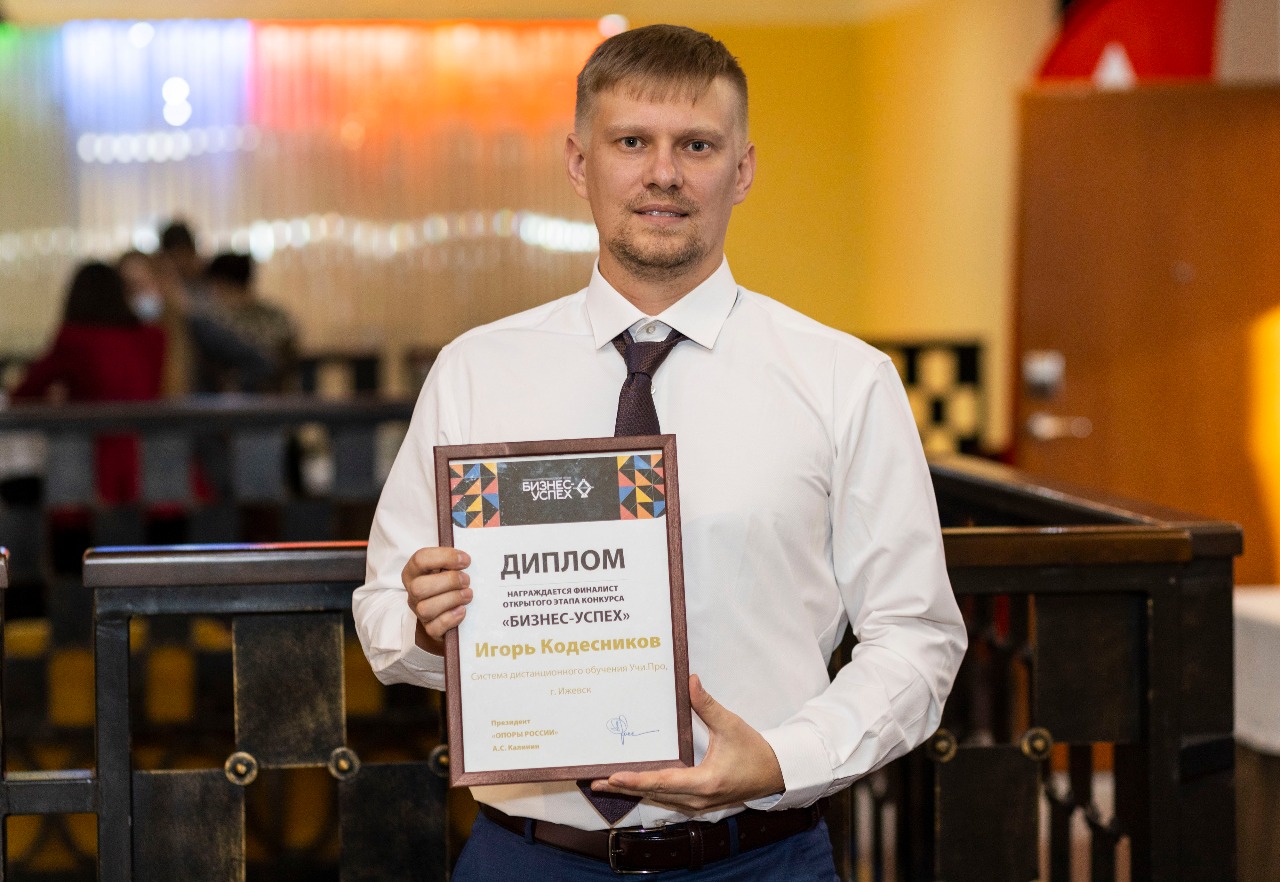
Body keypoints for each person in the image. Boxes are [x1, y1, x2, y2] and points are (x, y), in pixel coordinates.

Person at [353, 24, 967, 880]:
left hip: (761, 857)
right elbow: (385, 616)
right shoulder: (475, 371)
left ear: (742, 169)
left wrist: (784, 760)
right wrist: (430, 624)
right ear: (580, 163)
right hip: (528, 857)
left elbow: (916, 637)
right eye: (632, 142)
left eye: (698, 146)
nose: (664, 173)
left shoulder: (844, 380)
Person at [11, 260, 165, 505]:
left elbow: (25, 392)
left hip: (94, 467)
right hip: (154, 464)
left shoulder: (74, 338)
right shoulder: (153, 338)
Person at [190, 251, 298, 394]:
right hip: (279, 398)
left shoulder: (215, 322)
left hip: (231, 399)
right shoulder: (277, 315)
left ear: (220, 283)